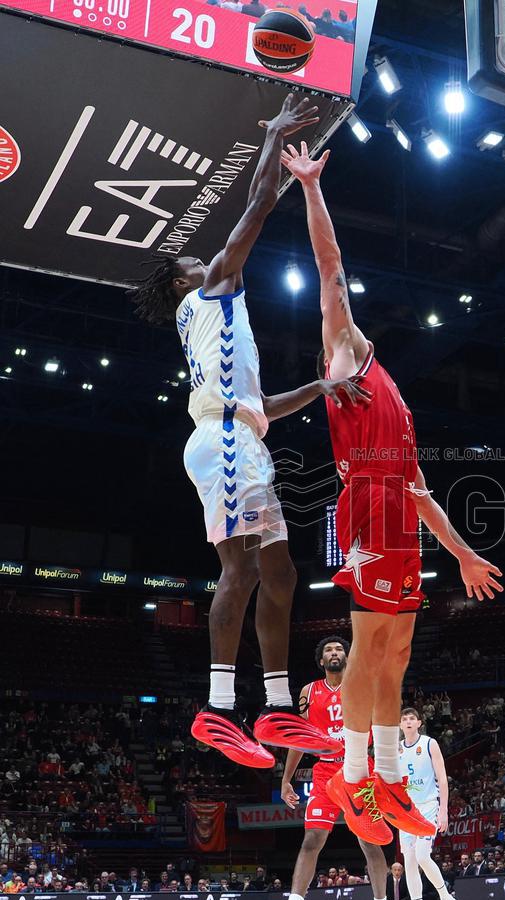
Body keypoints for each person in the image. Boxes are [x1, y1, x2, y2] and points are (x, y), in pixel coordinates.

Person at [131, 96, 366, 769]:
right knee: (239, 567)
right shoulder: (209, 293)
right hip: (226, 443)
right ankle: (217, 710)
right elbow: (259, 203)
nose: (208, 257)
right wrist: (271, 139)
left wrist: (321, 388)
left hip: (242, 436)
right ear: (185, 280)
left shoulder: (217, 319)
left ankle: (277, 709)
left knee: (281, 571)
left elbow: (263, 402)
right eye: (194, 257)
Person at [281, 141, 504, 846]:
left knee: (398, 651)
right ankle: (360, 773)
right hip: (366, 510)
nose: (344, 320)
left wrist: (466, 556)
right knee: (370, 641)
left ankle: (382, 775)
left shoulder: (393, 396)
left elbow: (424, 494)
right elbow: (330, 266)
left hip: (399, 516)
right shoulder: (342, 352)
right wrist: (312, 187)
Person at [261, 637, 390, 900]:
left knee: (369, 842)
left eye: (339, 650)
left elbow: (384, 725)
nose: (335, 653)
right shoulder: (309, 691)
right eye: (329, 651)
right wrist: (286, 778)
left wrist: (385, 771)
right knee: (312, 839)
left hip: (358, 769)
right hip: (325, 772)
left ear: (347, 657)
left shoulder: (363, 683)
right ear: (321, 661)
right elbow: (299, 737)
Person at [397, 706, 459, 900]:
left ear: (419, 723)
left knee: (423, 856)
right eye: (405, 719)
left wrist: (443, 810)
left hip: (428, 806)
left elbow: (442, 779)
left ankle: (447, 899)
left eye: (412, 718)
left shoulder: (430, 743)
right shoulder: (397, 749)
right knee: (410, 862)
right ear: (401, 725)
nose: (409, 721)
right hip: (406, 811)